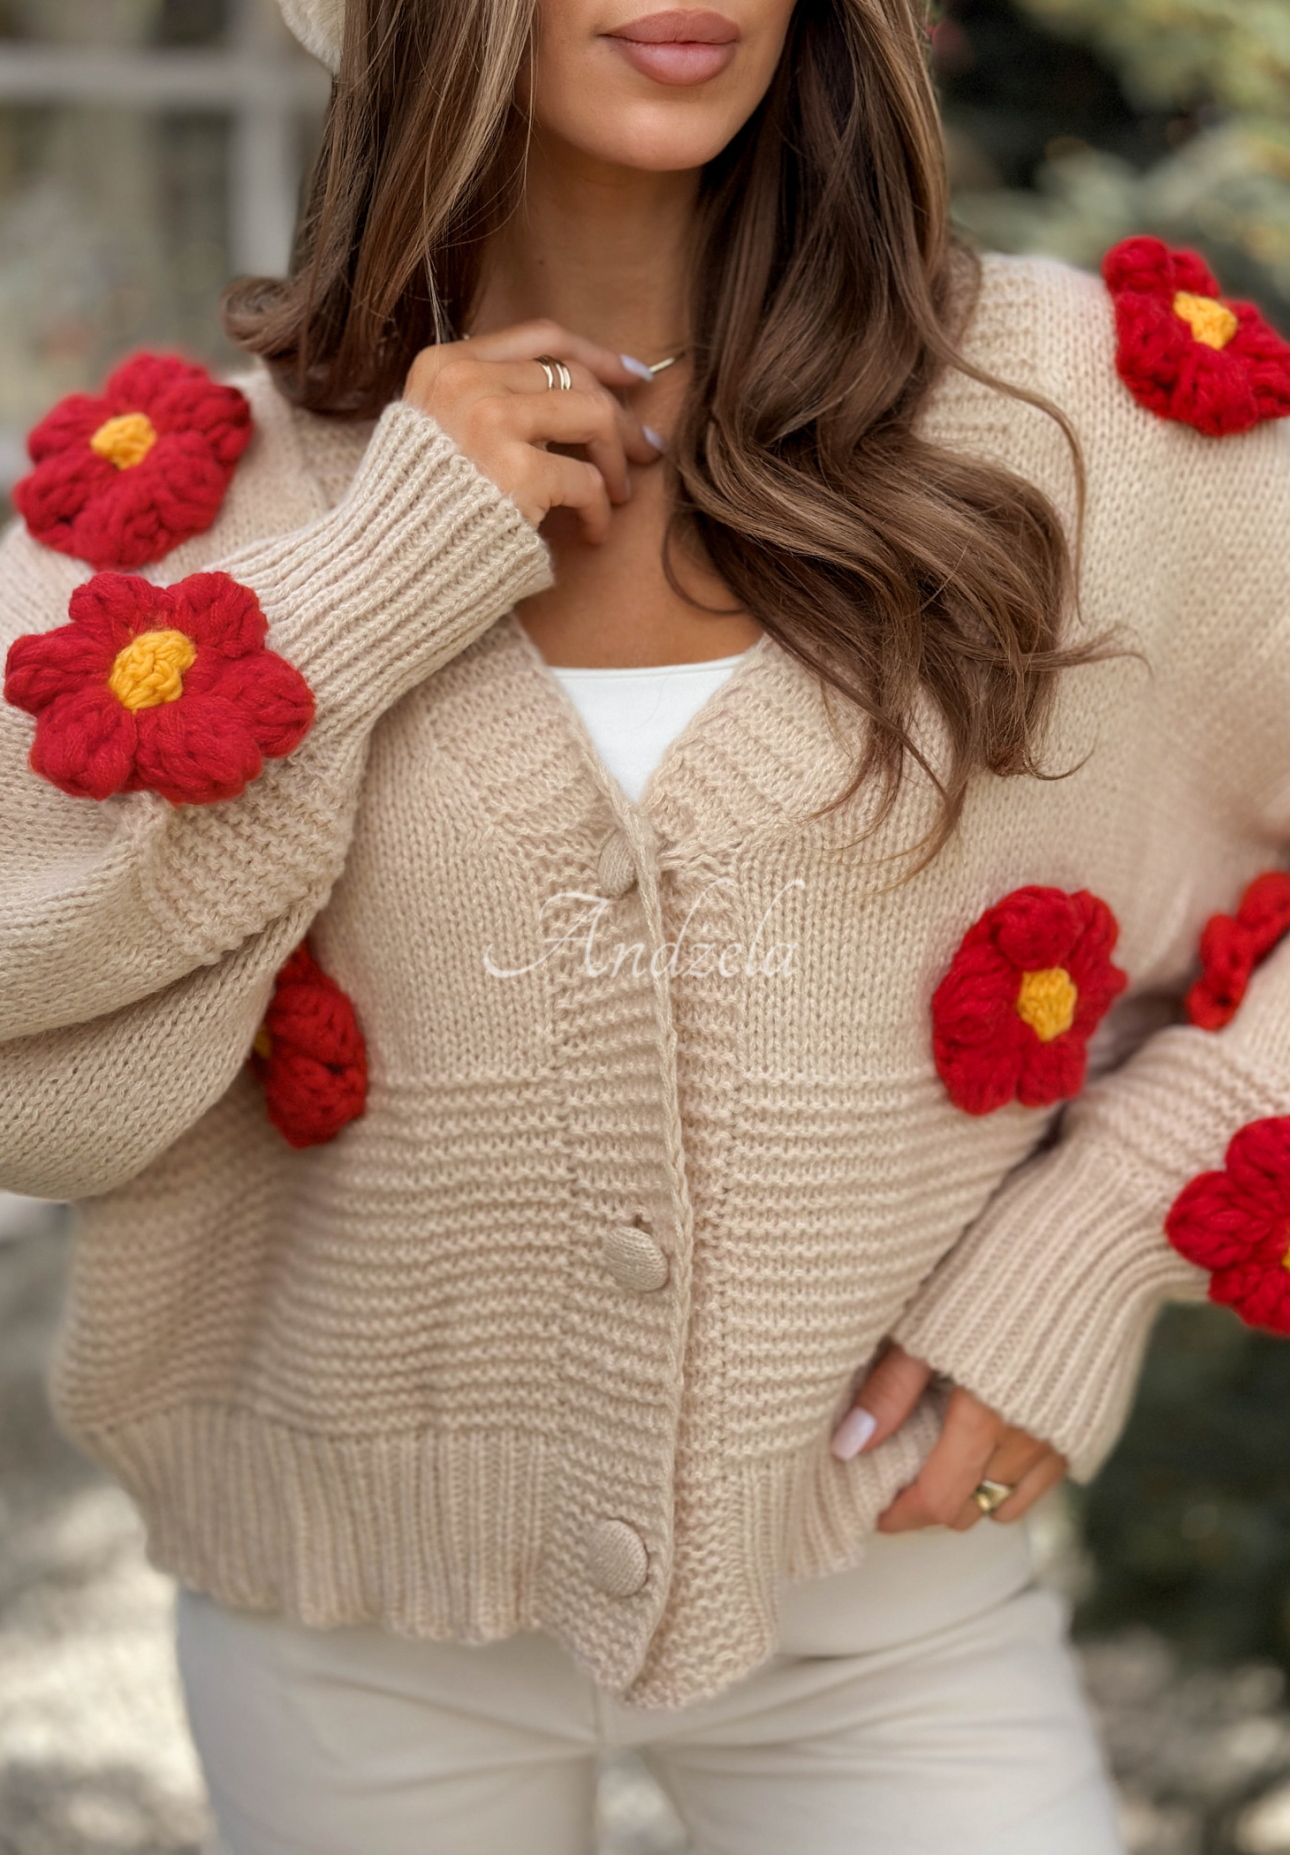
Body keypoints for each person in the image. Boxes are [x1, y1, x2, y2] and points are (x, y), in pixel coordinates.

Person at [3, 0, 1290, 1847]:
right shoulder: (175, 518)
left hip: (889, 1601)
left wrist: (1095, 1243)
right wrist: (375, 581)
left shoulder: (1088, 420)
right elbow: (28, 1052)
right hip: (342, 1638)